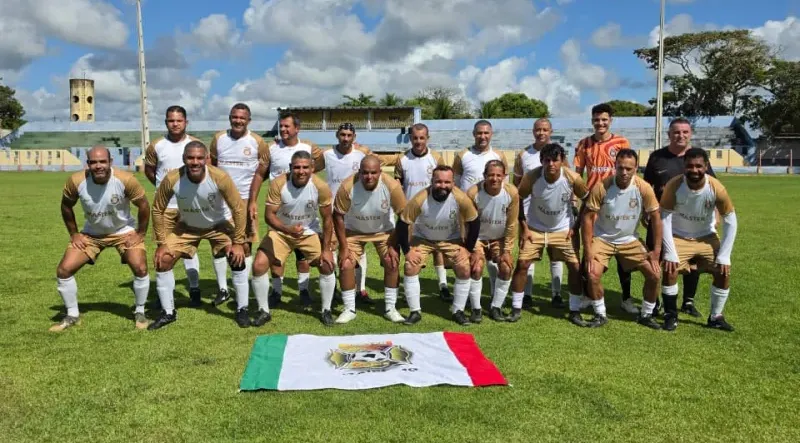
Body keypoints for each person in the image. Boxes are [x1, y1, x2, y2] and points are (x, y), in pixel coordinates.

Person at [150, 141, 250, 330]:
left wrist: (238, 242)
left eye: (198, 158)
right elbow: (157, 209)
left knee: (238, 256)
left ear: (206, 159)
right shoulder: (172, 178)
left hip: (218, 225)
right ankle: (168, 312)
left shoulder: (219, 177)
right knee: (162, 260)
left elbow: (238, 209)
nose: (194, 162)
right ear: (183, 159)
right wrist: (162, 243)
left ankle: (242, 309)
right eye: (190, 158)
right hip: (187, 227)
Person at [50, 146, 151, 331]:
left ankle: (140, 311)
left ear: (110, 162)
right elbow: (66, 206)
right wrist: (74, 234)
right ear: (87, 164)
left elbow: (144, 205)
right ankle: (72, 315)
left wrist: (140, 233)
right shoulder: (76, 181)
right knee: (64, 270)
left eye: (102, 161)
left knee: (140, 267)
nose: (99, 166)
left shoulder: (125, 179)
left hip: (123, 231)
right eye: (94, 162)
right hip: (92, 234)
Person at [250, 151, 337, 326]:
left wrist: (326, 249)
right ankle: (263, 311)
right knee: (259, 264)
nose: (301, 171)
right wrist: (287, 229)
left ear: (312, 168)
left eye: (305, 167)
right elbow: (269, 216)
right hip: (281, 231)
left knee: (327, 265)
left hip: (308, 231)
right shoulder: (278, 183)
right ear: (291, 167)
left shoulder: (320, 186)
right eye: (297, 167)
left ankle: (326, 310)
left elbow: (328, 219)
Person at [248, 112, 323, 309]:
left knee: (303, 255)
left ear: (297, 128)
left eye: (287, 127)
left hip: (303, 206)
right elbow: (259, 174)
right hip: (279, 207)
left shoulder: (309, 147)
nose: (283, 130)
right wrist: (253, 200)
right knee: (276, 255)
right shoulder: (271, 148)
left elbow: (320, 165)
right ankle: (277, 290)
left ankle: (304, 290)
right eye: (281, 126)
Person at [643, 117, 717, 318]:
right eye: (676, 132)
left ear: (690, 134)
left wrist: (715, 216)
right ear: (669, 135)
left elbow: (713, 188)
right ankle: (655, 301)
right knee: (656, 259)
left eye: (685, 132)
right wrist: (644, 211)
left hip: (690, 220)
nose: (681, 135)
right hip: (660, 218)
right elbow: (647, 187)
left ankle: (688, 302)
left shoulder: (697, 159)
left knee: (692, 262)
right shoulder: (657, 157)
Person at [581, 149, 663, 329]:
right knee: (592, 273)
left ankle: (646, 315)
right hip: (603, 239)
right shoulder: (603, 186)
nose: (624, 172)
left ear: (635, 169)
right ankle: (600, 314)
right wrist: (588, 250)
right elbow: (587, 218)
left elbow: (656, 217)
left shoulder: (643, 187)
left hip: (629, 240)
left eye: (629, 168)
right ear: (615, 166)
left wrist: (656, 250)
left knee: (654, 274)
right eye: (620, 167)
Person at [660, 148, 737, 331]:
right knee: (669, 269)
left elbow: (731, 220)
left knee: (723, 271)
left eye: (698, 166)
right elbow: (664, 218)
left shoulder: (716, 187)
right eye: (689, 166)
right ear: (684, 166)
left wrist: (725, 255)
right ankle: (671, 315)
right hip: (679, 236)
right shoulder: (674, 185)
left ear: (706, 166)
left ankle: (715, 317)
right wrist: (670, 252)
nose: (694, 170)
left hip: (706, 237)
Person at [511, 143, 589, 325]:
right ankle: (516, 307)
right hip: (535, 229)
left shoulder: (573, 178)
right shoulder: (532, 176)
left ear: (562, 161)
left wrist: (575, 226)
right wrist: (524, 227)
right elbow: (518, 198)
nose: (551, 164)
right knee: (522, 264)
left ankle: (575, 310)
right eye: (547, 160)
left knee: (575, 267)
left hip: (562, 230)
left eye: (555, 160)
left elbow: (587, 200)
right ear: (541, 161)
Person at [573, 103, 639, 315]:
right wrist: (577, 199)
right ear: (592, 120)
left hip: (616, 202)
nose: (600, 123)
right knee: (588, 248)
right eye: (596, 120)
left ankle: (626, 298)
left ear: (611, 120)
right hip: (591, 204)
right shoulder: (584, 144)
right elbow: (577, 174)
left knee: (621, 248)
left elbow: (630, 172)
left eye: (604, 119)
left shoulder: (621, 142)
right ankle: (586, 294)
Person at [396, 165, 481, 326]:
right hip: (423, 238)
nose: (443, 186)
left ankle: (458, 311)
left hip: (450, 239)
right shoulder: (420, 198)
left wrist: (468, 249)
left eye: (447, 182)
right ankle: (415, 312)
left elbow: (474, 222)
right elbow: (402, 223)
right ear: (432, 181)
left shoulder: (461, 198)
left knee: (464, 267)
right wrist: (407, 251)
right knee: (410, 266)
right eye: (439, 182)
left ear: (453, 183)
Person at [333, 155, 407, 323]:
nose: (369, 177)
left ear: (380, 172)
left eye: (373, 173)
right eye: (365, 173)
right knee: (345, 263)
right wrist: (343, 247)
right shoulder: (347, 186)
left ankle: (390, 308)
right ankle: (349, 309)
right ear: (359, 172)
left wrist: (393, 244)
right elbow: (337, 215)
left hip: (384, 231)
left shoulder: (392, 186)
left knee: (392, 261)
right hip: (354, 231)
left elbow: (403, 216)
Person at [143, 106, 205, 306]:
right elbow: (150, 171)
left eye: (179, 120)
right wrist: (166, 190)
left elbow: (206, 171)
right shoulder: (156, 145)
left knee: (188, 250)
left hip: (189, 207)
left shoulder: (195, 145)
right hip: (165, 208)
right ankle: (166, 297)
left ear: (186, 122)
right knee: (164, 251)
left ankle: (194, 289)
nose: (175, 124)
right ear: (166, 122)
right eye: (171, 120)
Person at [209, 103, 268, 307]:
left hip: (244, 200)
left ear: (249, 120)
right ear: (230, 118)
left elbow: (261, 174)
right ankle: (223, 288)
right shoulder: (218, 139)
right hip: (220, 200)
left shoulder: (258, 142)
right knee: (218, 244)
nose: (238, 121)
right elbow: (212, 168)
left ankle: (245, 284)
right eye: (235, 117)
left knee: (245, 244)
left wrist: (252, 201)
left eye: (242, 118)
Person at [452, 119, 509, 311]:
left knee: (496, 258)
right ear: (473, 134)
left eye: (486, 133)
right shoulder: (463, 155)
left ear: (491, 134)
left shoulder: (498, 155)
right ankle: (470, 298)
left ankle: (494, 295)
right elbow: (457, 184)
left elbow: (505, 185)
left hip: (493, 213)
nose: (482, 136)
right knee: (472, 260)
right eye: (479, 133)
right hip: (470, 215)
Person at [317, 123, 376, 305]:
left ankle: (361, 289)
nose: (346, 138)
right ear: (337, 135)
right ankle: (334, 287)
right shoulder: (327, 155)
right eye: (342, 134)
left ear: (354, 137)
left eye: (349, 135)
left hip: (356, 210)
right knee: (333, 249)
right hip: (334, 211)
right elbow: (311, 169)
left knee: (360, 250)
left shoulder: (361, 154)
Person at [393, 123, 450, 301]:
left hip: (433, 212)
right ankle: (411, 289)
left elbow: (444, 184)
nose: (418, 141)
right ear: (410, 138)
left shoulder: (436, 158)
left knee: (438, 249)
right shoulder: (402, 159)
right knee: (412, 252)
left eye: (422, 137)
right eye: (415, 138)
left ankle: (443, 285)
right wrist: (401, 210)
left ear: (427, 138)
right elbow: (397, 186)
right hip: (411, 215)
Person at [512, 118, 567, 307]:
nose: (541, 133)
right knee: (529, 254)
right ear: (533, 131)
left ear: (551, 131)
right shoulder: (523, 154)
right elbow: (516, 184)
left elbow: (567, 180)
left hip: (555, 212)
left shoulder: (559, 153)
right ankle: (527, 294)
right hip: (529, 212)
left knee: (555, 254)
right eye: (538, 130)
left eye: (545, 129)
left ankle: (556, 294)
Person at [466, 160, 519, 323]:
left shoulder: (512, 193)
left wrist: (507, 251)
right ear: (484, 176)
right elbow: (468, 223)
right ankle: (476, 309)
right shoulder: (473, 192)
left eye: (498, 175)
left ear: (504, 176)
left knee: (506, 267)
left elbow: (511, 224)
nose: (494, 178)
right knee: (476, 268)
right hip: (478, 238)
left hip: (499, 238)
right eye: (490, 175)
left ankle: (496, 306)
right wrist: (472, 248)